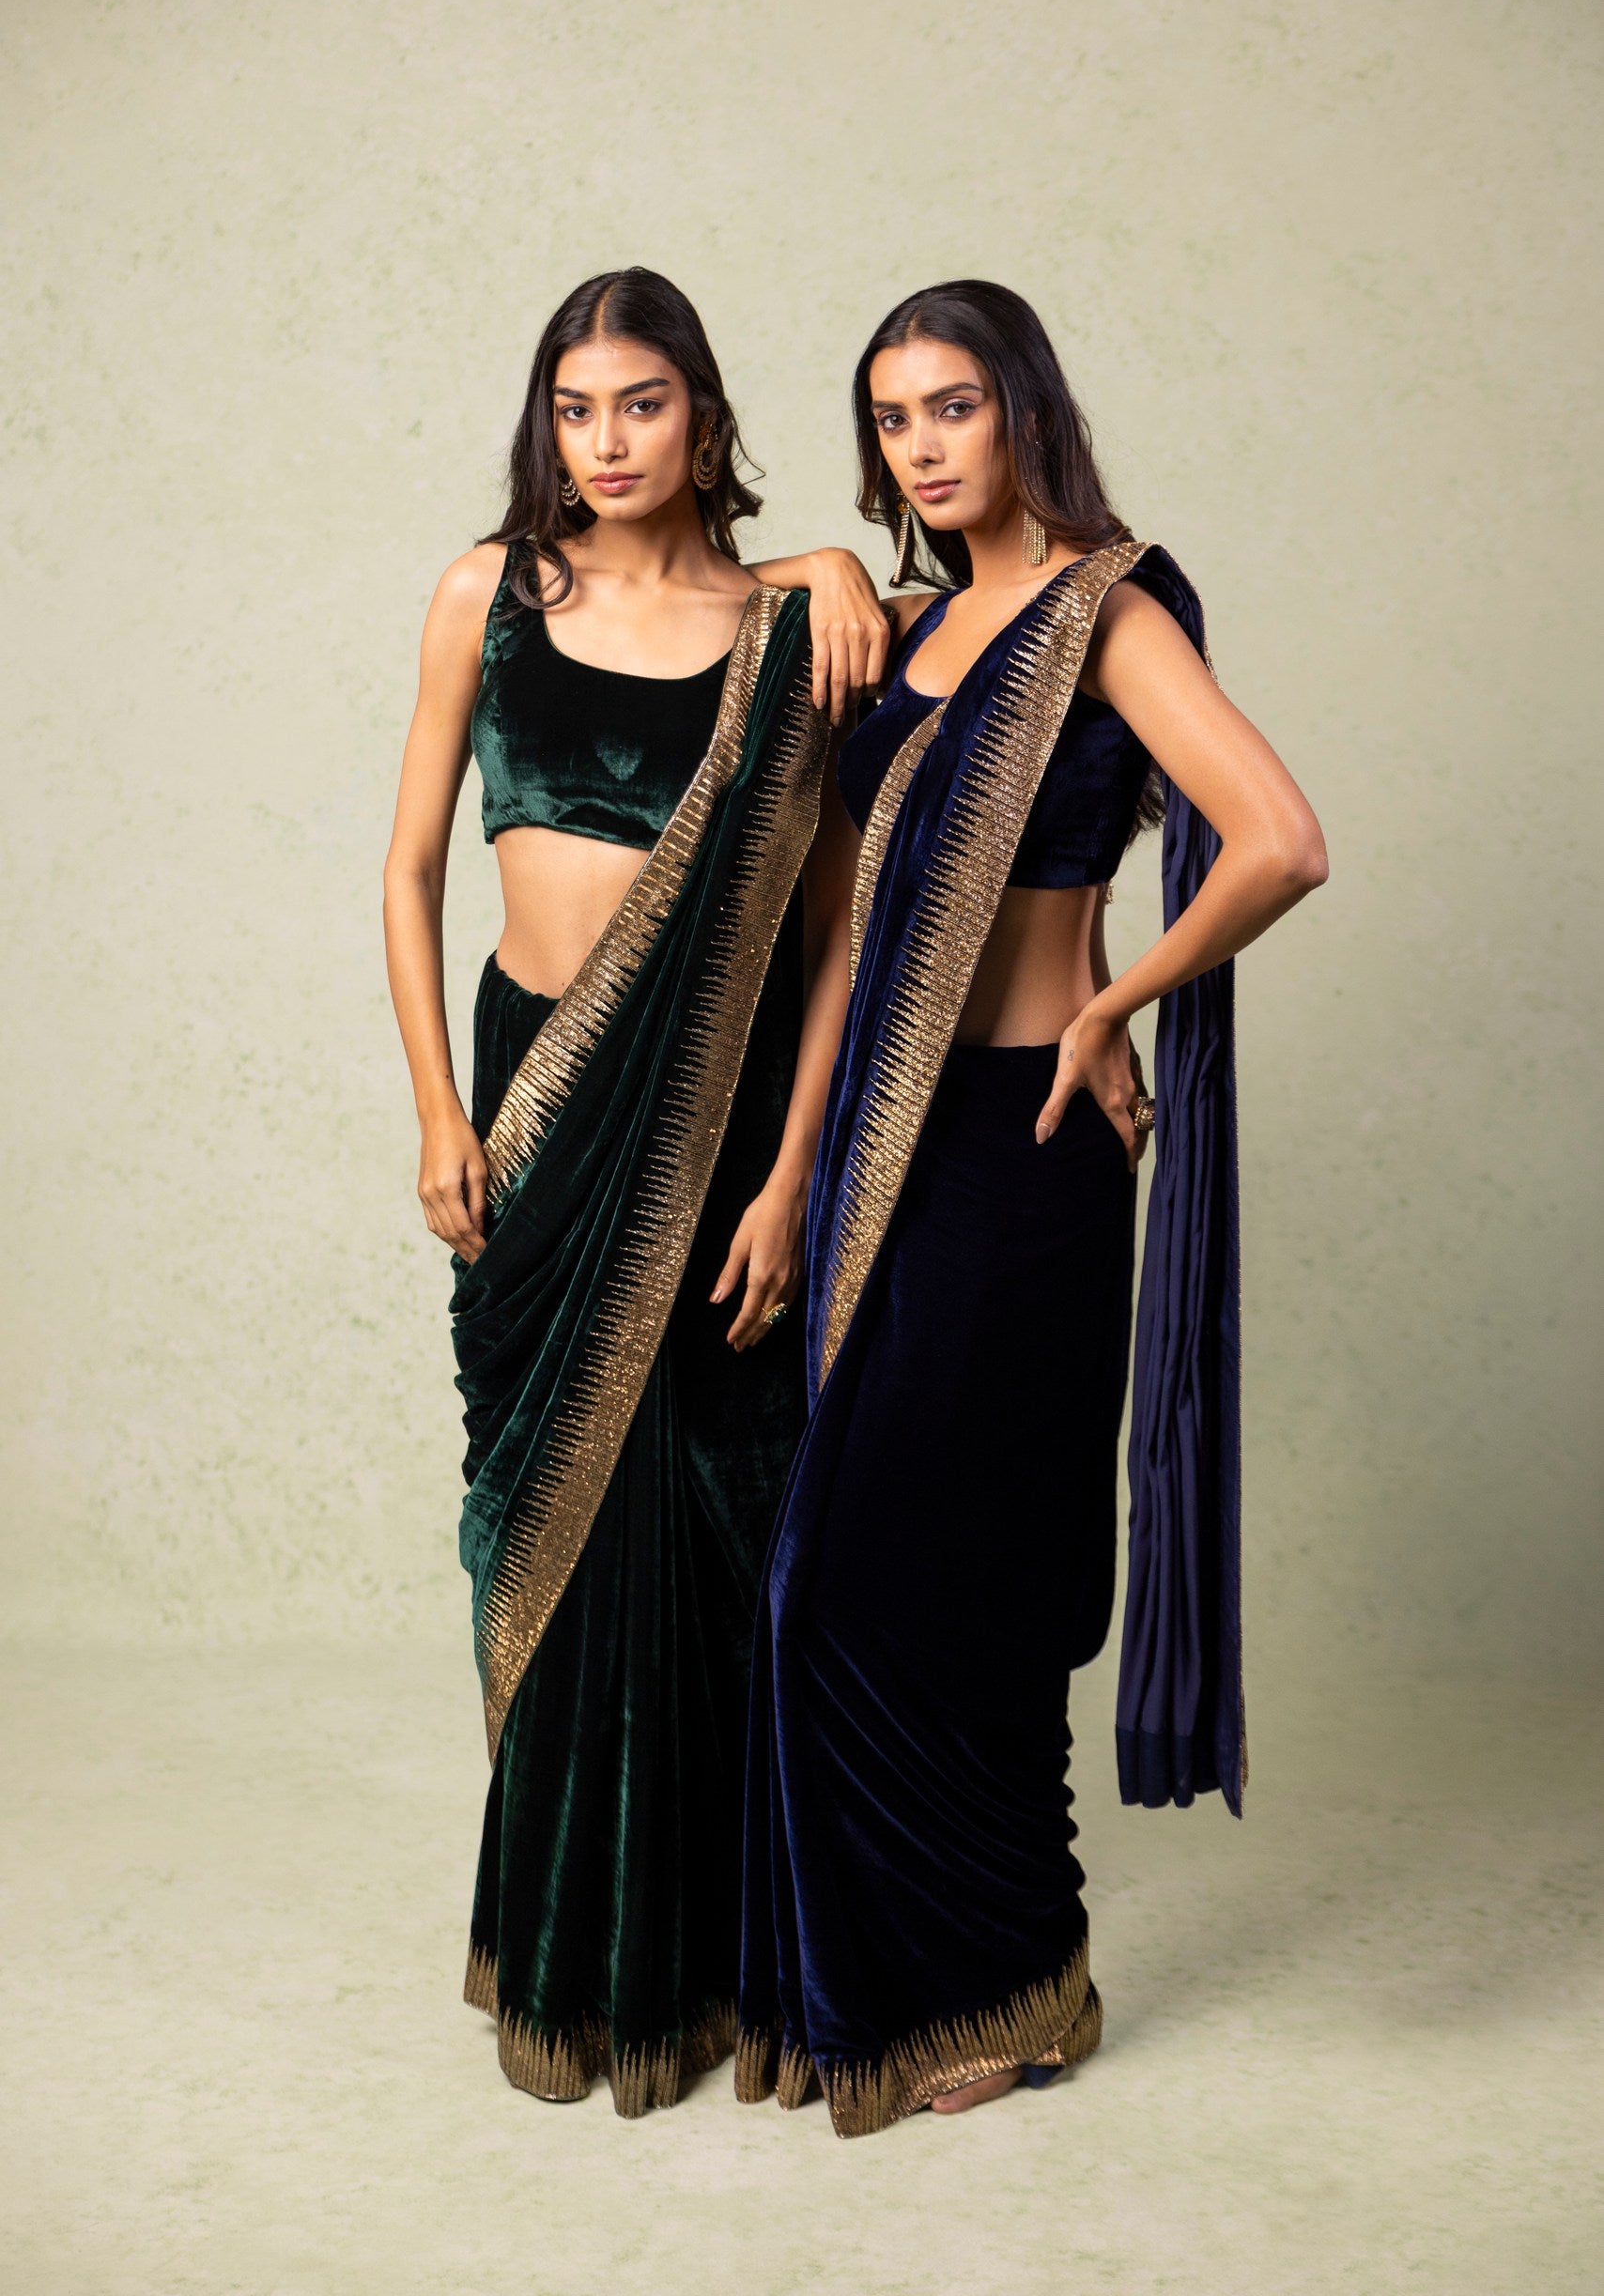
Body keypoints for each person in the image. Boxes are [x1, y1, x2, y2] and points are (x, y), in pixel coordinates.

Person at [737, 279, 1328, 2137]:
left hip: (1024, 1142)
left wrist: (1114, 999)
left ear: (1021, 412)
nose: (921, 445)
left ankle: (1020, 1980)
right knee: (837, 1580)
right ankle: (908, 1973)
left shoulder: (1108, 609)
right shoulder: (909, 629)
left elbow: (1279, 838)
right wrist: (787, 1172)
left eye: (952, 406)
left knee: (974, 1575)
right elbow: (848, 940)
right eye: (889, 417)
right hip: (874, 1155)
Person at [382, 267, 885, 2115]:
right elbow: (409, 864)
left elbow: (836, 932)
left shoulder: (790, 631)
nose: (606, 441)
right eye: (576, 408)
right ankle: (573, 1952)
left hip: (720, 1120)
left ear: (704, 416)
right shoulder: (486, 596)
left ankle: (724, 1965)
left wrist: (790, 1174)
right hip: (531, 1108)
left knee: (719, 1521)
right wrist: (439, 1109)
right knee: (548, 1525)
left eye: (643, 403)